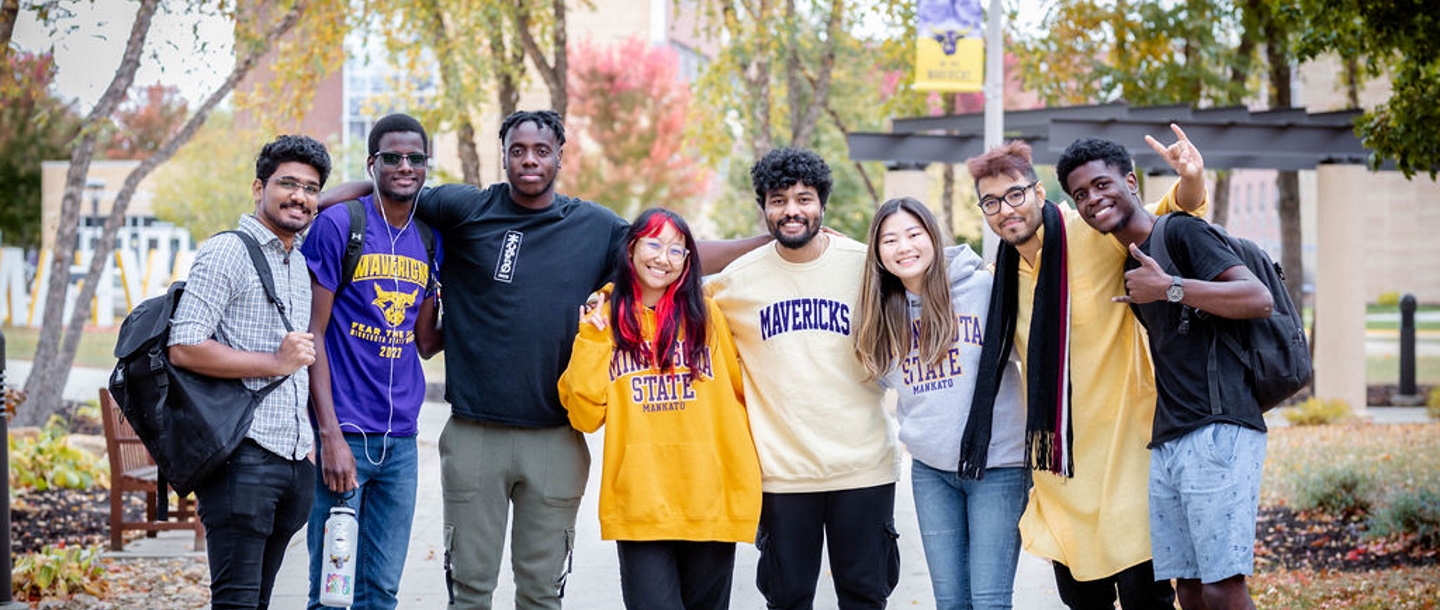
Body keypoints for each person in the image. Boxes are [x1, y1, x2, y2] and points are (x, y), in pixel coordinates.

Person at [318, 109, 764, 608]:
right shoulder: (466, 207)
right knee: (468, 591)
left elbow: (676, 251)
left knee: (542, 594)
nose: (529, 160)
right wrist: (317, 200)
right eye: (518, 150)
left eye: (541, 151)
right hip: (474, 435)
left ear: (559, 156)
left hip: (555, 439)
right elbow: (394, 185)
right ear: (503, 155)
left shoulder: (593, 226)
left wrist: (772, 240)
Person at [965, 126, 1206, 610]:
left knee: (1147, 601)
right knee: (1083, 603)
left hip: (1128, 461)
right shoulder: (1001, 278)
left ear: (1037, 192)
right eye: (990, 203)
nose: (1005, 210)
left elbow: (1167, 216)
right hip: (1062, 475)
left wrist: (1193, 178)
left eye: (1014, 194)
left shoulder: (1094, 231)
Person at [1058, 137, 1272, 610]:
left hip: (1219, 426)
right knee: (1188, 589)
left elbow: (1258, 298)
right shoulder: (1128, 266)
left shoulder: (1180, 232)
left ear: (1130, 182)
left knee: (1221, 585)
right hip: (1171, 435)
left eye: (1101, 184)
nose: (1093, 199)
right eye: (1081, 195)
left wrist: (1170, 288)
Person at [705, 147, 901, 610]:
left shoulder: (866, 266)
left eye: (804, 198)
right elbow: (667, 293)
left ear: (822, 204)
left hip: (864, 466)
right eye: (779, 200)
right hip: (782, 475)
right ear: (765, 208)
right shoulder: (735, 282)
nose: (792, 210)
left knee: (865, 596)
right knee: (788, 599)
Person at [557, 208, 762, 610]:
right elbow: (583, 414)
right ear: (631, 248)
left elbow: (741, 395)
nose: (662, 258)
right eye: (654, 243)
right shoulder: (605, 318)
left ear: (688, 263)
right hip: (640, 503)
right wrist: (593, 339)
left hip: (710, 499)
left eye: (677, 250)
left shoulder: (708, 317)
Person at [167, 134, 330, 609]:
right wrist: (275, 363)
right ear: (258, 189)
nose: (300, 196)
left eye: (311, 188)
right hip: (242, 457)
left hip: (292, 459)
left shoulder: (297, 262)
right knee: (237, 602)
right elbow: (185, 345)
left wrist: (308, 456)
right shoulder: (227, 251)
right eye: (288, 184)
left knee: (258, 600)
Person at [852, 197, 1027, 609]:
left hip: (998, 465)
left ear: (933, 236)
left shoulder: (983, 289)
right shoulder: (882, 312)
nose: (904, 247)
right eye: (889, 239)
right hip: (932, 471)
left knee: (988, 602)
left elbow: (1028, 349)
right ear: (877, 252)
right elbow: (879, 376)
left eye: (914, 234)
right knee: (950, 603)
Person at [301, 113, 442, 609]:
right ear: (372, 162)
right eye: (392, 158)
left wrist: (487, 317)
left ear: (427, 165)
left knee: (381, 592)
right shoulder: (342, 224)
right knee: (332, 593)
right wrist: (330, 436)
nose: (405, 166)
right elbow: (312, 335)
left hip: (401, 443)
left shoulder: (429, 237)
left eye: (415, 158)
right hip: (346, 439)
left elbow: (424, 341)